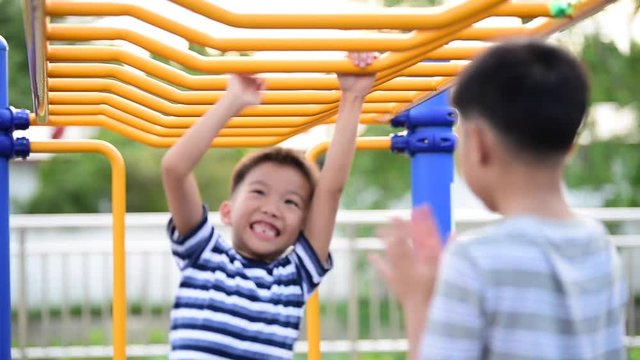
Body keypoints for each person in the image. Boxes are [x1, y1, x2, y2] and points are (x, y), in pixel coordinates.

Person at [370, 39, 628, 360]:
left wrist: (418, 303)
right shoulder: (599, 245)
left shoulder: (473, 261)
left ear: (478, 143)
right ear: (570, 147)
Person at [160, 52, 376, 360]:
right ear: (227, 211)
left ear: (304, 225)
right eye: (259, 192)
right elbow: (174, 169)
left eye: (290, 201)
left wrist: (353, 97)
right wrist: (232, 101)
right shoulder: (203, 254)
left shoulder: (295, 275)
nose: (272, 208)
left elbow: (330, 190)